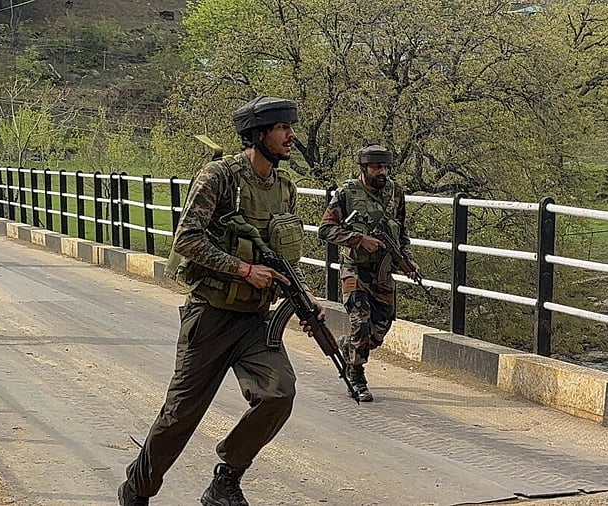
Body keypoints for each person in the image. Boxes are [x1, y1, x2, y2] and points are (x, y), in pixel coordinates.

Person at [118, 96, 323, 506]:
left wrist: (303, 294)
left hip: (255, 321)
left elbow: (279, 256)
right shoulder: (219, 177)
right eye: (283, 128)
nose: (291, 135)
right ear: (259, 134)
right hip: (210, 317)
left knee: (279, 394)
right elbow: (187, 239)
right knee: (180, 417)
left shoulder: (285, 188)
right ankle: (137, 489)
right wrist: (243, 270)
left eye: (290, 127)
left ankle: (225, 480)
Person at [317, 144, 418, 402]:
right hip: (355, 270)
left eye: (385, 167)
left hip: (382, 273)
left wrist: (407, 260)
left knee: (379, 330)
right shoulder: (346, 193)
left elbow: (402, 231)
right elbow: (325, 230)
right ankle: (356, 375)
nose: (382, 172)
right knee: (361, 325)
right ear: (364, 168)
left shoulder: (395, 193)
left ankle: (348, 346)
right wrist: (359, 240)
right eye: (376, 167)